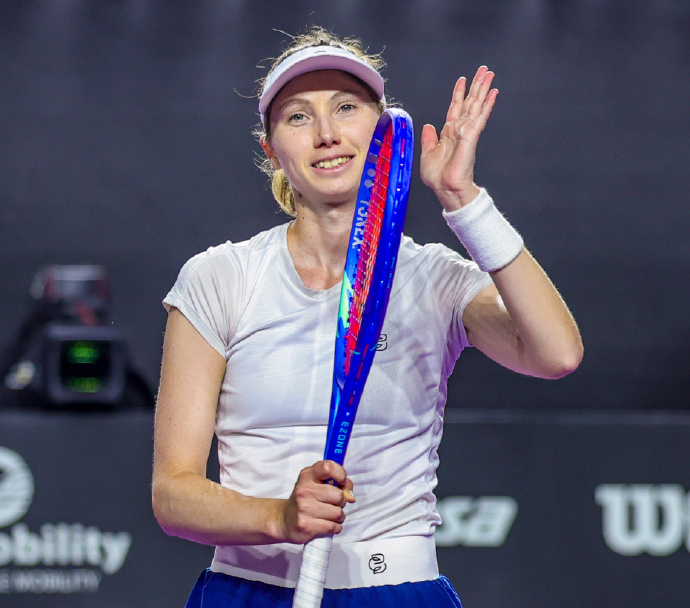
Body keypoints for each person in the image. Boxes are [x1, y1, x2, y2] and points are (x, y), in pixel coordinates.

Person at [152, 26, 583, 608]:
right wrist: (279, 517)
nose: (327, 133)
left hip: (398, 591)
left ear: (381, 128)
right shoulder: (219, 277)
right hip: (247, 590)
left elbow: (557, 354)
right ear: (271, 149)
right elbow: (173, 495)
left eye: (346, 108)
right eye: (298, 117)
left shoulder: (435, 277)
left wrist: (463, 200)